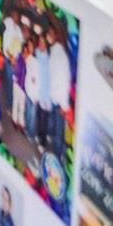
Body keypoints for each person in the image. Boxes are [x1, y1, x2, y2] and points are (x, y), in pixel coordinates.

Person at [49, 23, 72, 153]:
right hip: (55, 98)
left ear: (56, 36)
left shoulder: (60, 55)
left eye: (50, 34)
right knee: (56, 129)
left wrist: (64, 105)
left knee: (58, 131)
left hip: (59, 100)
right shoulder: (54, 52)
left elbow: (64, 80)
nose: (48, 36)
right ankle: (56, 151)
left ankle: (58, 155)